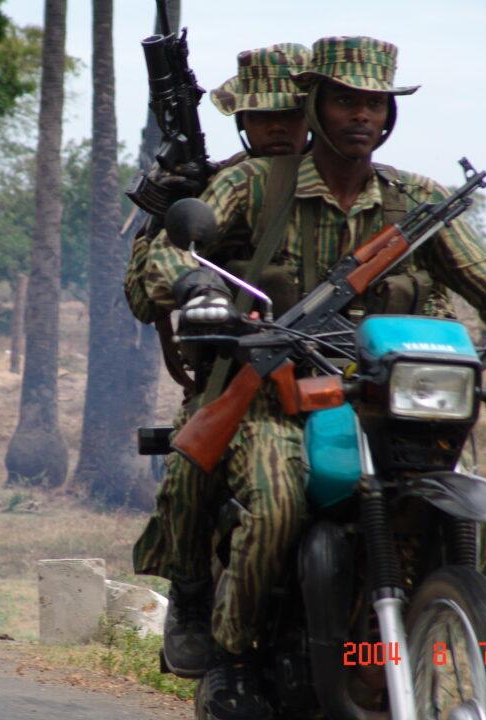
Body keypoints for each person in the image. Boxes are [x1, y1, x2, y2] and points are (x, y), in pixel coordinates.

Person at [139, 35, 486, 720]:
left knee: (478, 519)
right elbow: (169, 256)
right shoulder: (255, 183)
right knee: (276, 500)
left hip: (390, 397)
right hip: (274, 392)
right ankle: (235, 662)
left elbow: (485, 274)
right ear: (315, 106)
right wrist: (199, 286)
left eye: (375, 103)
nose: (362, 116)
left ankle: (437, 637)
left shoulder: (418, 200)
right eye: (346, 100)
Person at [125, 43, 312, 681]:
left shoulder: (353, 182)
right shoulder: (218, 185)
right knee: (187, 476)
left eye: (292, 113)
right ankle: (192, 596)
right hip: (234, 377)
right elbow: (139, 293)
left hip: (336, 377)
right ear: (243, 123)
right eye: (264, 118)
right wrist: (160, 214)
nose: (280, 128)